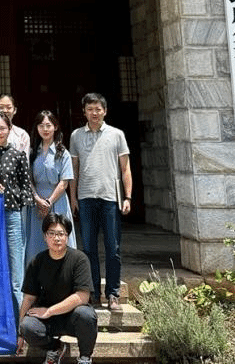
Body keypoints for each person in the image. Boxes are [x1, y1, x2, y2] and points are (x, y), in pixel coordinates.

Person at [69, 92, 132, 311]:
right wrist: (73, 197)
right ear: (84, 112)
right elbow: (74, 169)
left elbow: (125, 168)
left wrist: (127, 197)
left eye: (98, 109)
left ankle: (113, 294)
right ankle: (93, 293)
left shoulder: (116, 134)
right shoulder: (76, 135)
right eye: (90, 109)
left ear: (105, 111)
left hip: (110, 198)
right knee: (88, 249)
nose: (94, 113)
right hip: (86, 198)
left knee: (113, 248)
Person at [18, 213, 98, 364]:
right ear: (45, 236)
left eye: (61, 234)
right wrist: (21, 334)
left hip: (72, 317)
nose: (57, 238)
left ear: (67, 236)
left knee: (87, 315)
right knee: (27, 326)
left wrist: (50, 311)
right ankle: (55, 347)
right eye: (52, 233)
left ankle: (85, 358)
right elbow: (28, 298)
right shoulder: (37, 261)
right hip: (47, 321)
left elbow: (82, 297)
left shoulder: (79, 259)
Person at [0, 111, 33, 318]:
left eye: (3, 128)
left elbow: (26, 187)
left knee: (15, 270)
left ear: (9, 130)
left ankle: (19, 322)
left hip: (12, 215)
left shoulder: (18, 156)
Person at [27, 110, 77, 262]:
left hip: (57, 201)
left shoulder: (63, 153)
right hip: (37, 203)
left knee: (59, 239)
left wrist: (49, 202)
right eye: (41, 125)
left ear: (55, 127)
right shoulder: (32, 153)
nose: (45, 129)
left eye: (48, 125)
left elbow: (64, 182)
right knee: (37, 242)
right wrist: (37, 199)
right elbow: (28, 179)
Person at [0, 93, 31, 160]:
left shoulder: (22, 135)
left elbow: (25, 161)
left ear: (15, 110)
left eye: (9, 107)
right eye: (1, 107)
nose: (5, 111)